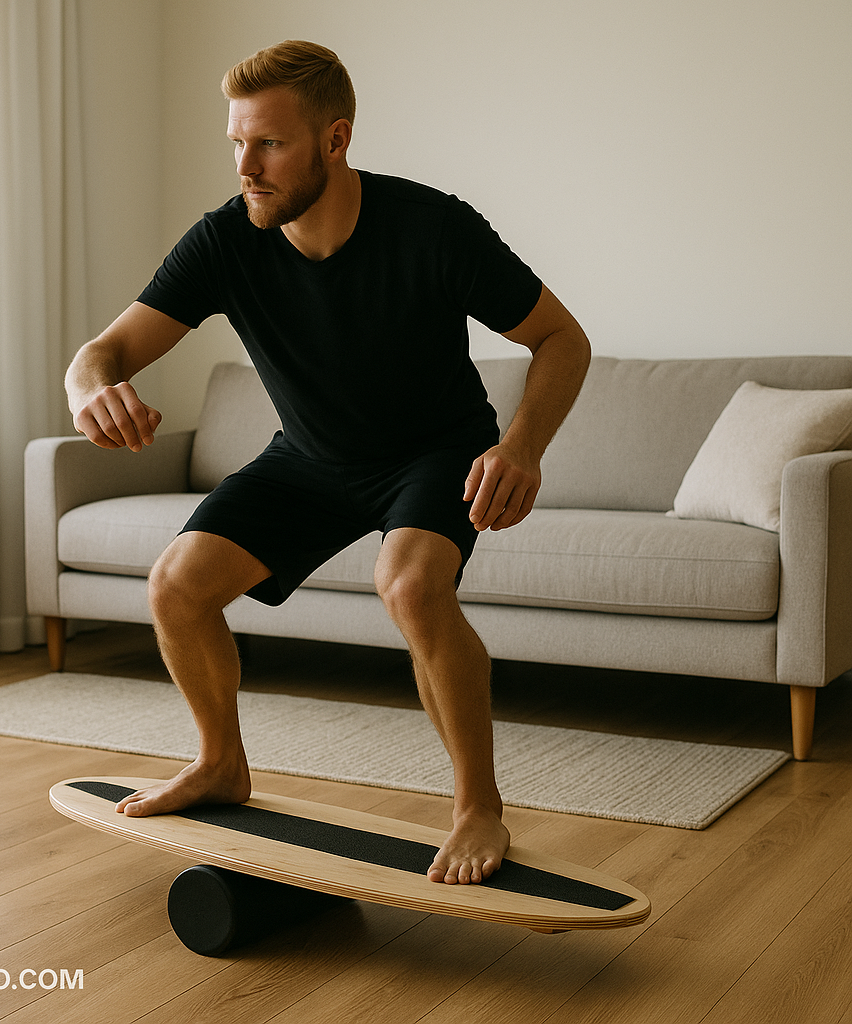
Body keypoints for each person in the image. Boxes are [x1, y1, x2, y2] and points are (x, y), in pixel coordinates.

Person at [65, 40, 591, 885]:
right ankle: (220, 764)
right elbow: (107, 350)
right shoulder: (227, 241)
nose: (248, 166)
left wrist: (520, 446)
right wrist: (85, 387)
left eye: (269, 144)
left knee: (413, 584)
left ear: (335, 141)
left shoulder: (433, 227)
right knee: (175, 586)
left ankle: (477, 806)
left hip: (433, 450)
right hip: (311, 457)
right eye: (237, 143)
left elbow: (562, 339)